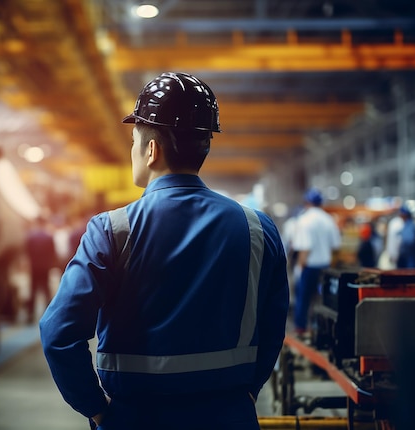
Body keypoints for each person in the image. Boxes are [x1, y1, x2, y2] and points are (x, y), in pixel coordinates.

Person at [39, 72, 289, 429]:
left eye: (134, 141)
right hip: (227, 415)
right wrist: (247, 393)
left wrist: (96, 407)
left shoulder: (111, 231)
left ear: (151, 150)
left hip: (133, 417)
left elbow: (58, 333)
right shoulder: (257, 229)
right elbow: (273, 325)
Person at [291, 188, 341, 336]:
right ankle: (319, 328)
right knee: (322, 300)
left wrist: (299, 269)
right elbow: (335, 246)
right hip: (325, 267)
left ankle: (301, 328)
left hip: (308, 266)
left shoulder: (304, 219)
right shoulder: (328, 219)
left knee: (303, 299)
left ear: (307, 202)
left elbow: (304, 248)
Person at [25, 216, 57, 323]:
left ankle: (30, 315)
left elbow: (27, 252)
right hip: (45, 267)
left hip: (34, 267)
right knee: (46, 290)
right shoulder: (48, 237)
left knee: (33, 290)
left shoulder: (30, 237)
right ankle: (49, 314)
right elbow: (53, 253)